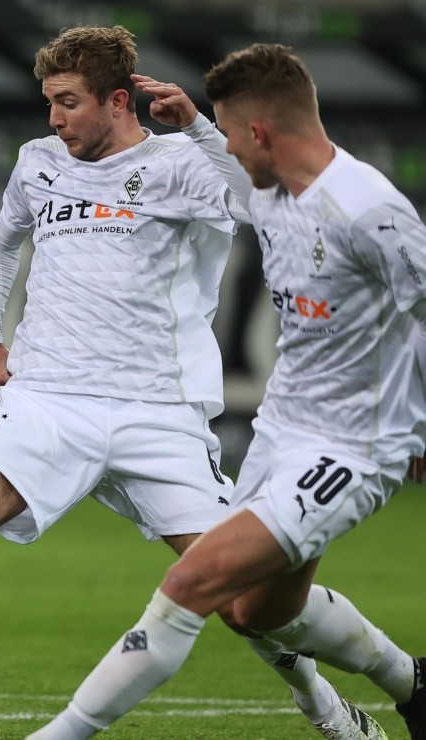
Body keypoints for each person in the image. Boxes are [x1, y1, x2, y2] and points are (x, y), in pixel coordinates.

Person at [0, 26, 388, 740]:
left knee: (240, 593)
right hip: (48, 399)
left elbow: (259, 201)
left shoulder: (179, 165)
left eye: (67, 102)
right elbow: (1, 241)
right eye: (48, 102)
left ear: (119, 101)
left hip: (159, 411)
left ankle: (328, 708)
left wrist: (204, 130)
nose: (53, 119)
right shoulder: (38, 163)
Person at [26, 43, 426, 740]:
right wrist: (199, 127)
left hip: (354, 445)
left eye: (234, 137)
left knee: (190, 586)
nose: (228, 153)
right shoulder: (270, 191)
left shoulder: (370, 213)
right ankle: (413, 684)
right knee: (251, 611)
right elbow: (231, 188)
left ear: (263, 135)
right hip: (282, 430)